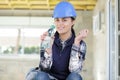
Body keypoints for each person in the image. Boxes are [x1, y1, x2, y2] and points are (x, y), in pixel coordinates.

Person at [26, 1, 89, 80]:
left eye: (64, 20)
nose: (60, 24)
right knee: (41, 75)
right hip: (50, 78)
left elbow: (74, 70)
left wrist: (76, 44)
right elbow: (43, 69)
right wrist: (48, 50)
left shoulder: (81, 44)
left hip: (67, 78)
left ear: (73, 21)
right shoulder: (47, 40)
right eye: (57, 20)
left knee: (75, 77)